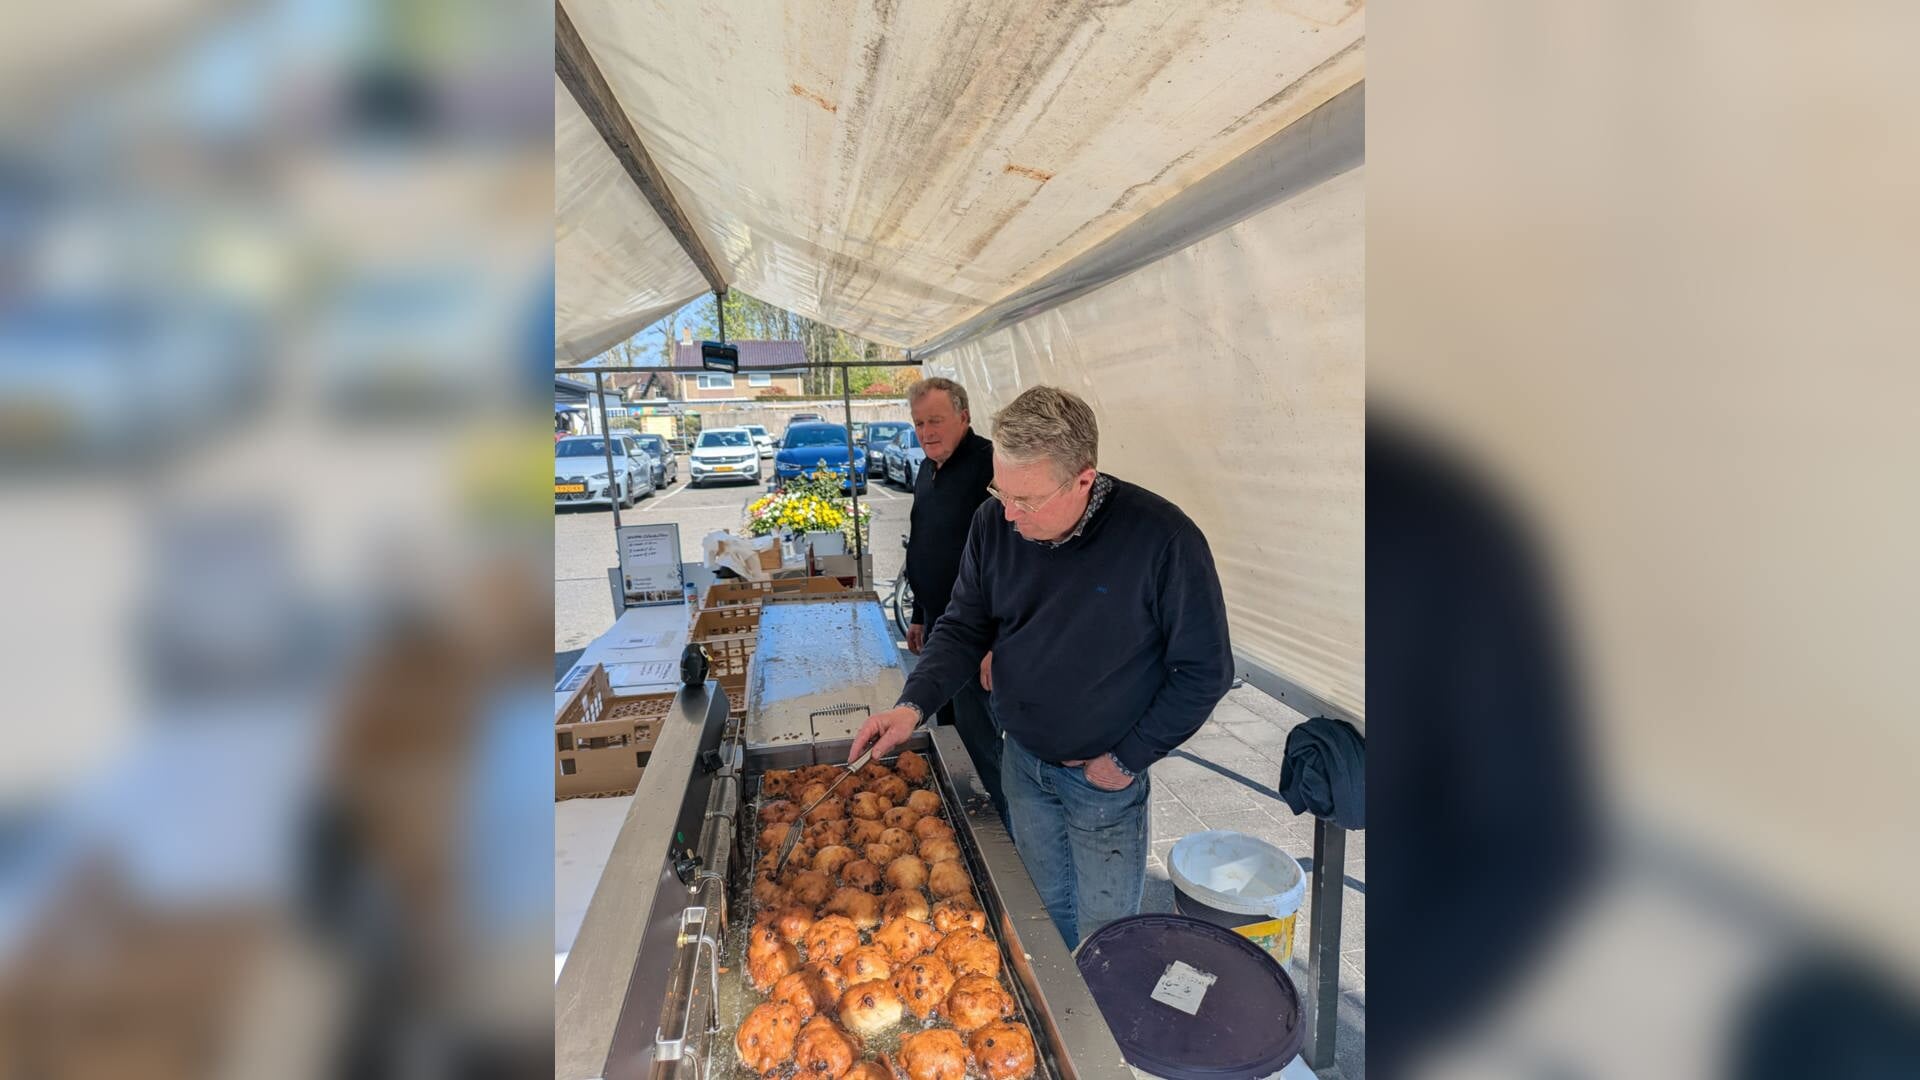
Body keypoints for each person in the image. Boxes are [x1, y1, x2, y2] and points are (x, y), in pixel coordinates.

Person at [850, 386, 1233, 948]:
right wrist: (913, 705)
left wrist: (1128, 759)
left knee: (1107, 935)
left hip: (1103, 779)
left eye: (1026, 500)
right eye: (1001, 492)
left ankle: (1101, 1028)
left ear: (1083, 479)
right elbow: (961, 627)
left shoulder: (1162, 540)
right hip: (1023, 764)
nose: (1010, 513)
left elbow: (1205, 670)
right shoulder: (992, 524)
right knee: (1043, 917)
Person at [901, 377, 1006, 823]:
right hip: (939, 627)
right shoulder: (928, 469)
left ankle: (999, 828)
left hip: (977, 634)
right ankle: (960, 812)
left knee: (979, 736)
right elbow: (925, 541)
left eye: (936, 420)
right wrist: (922, 614)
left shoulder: (991, 467)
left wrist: (998, 642)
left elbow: (1013, 560)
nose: (926, 431)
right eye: (919, 422)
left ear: (964, 417)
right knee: (944, 728)